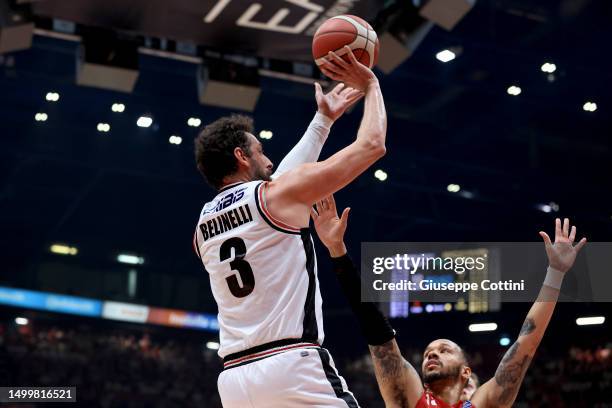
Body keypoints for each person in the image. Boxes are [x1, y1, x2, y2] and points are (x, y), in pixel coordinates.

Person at [193, 47, 387, 407]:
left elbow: (277, 184)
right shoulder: (273, 196)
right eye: (260, 150)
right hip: (289, 363)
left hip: (234, 380)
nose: (268, 161)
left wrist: (323, 121)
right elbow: (372, 145)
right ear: (241, 156)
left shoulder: (203, 226)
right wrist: (372, 85)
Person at [311, 195, 587, 408]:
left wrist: (555, 273)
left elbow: (527, 342)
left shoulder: (485, 402)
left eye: (445, 350)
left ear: (467, 372)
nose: (432, 354)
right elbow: (376, 331)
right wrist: (337, 250)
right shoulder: (408, 397)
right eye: (431, 350)